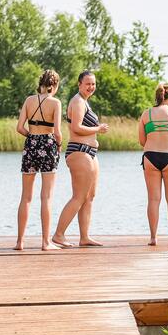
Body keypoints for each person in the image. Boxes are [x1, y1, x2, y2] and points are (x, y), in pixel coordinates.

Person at [52, 70, 108, 248]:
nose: (91, 87)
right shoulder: (77, 101)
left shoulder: (85, 102)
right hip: (79, 152)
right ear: (79, 84)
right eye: (87, 84)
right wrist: (98, 129)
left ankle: (84, 237)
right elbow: (76, 128)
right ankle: (58, 235)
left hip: (90, 153)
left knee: (90, 196)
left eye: (93, 84)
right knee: (79, 196)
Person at [14, 70, 63, 251]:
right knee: (47, 197)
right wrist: (58, 144)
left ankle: (20, 242)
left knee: (26, 197)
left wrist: (32, 137)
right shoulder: (55, 103)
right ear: (55, 85)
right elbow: (57, 131)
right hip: (48, 145)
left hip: (30, 145)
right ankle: (45, 242)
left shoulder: (28, 100)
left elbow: (19, 127)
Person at [137, 83, 168, 246]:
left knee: (153, 199)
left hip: (150, 157)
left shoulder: (146, 114)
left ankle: (153, 238)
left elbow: (142, 141)